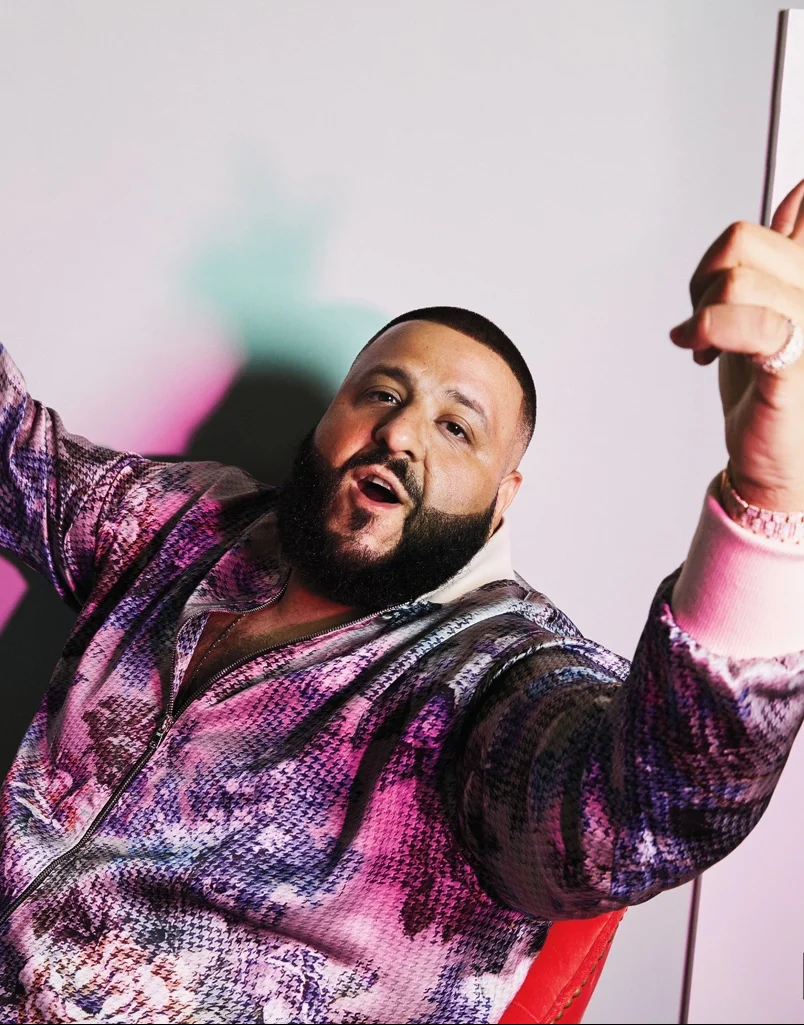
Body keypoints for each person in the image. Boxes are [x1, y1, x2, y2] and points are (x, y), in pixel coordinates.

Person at [1, 179, 804, 1025]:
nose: (401, 433)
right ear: (328, 420)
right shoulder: (192, 525)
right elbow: (21, 464)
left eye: (457, 427)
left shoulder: (495, 680)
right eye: (381, 393)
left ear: (503, 500)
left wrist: (771, 491)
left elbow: (647, 805)